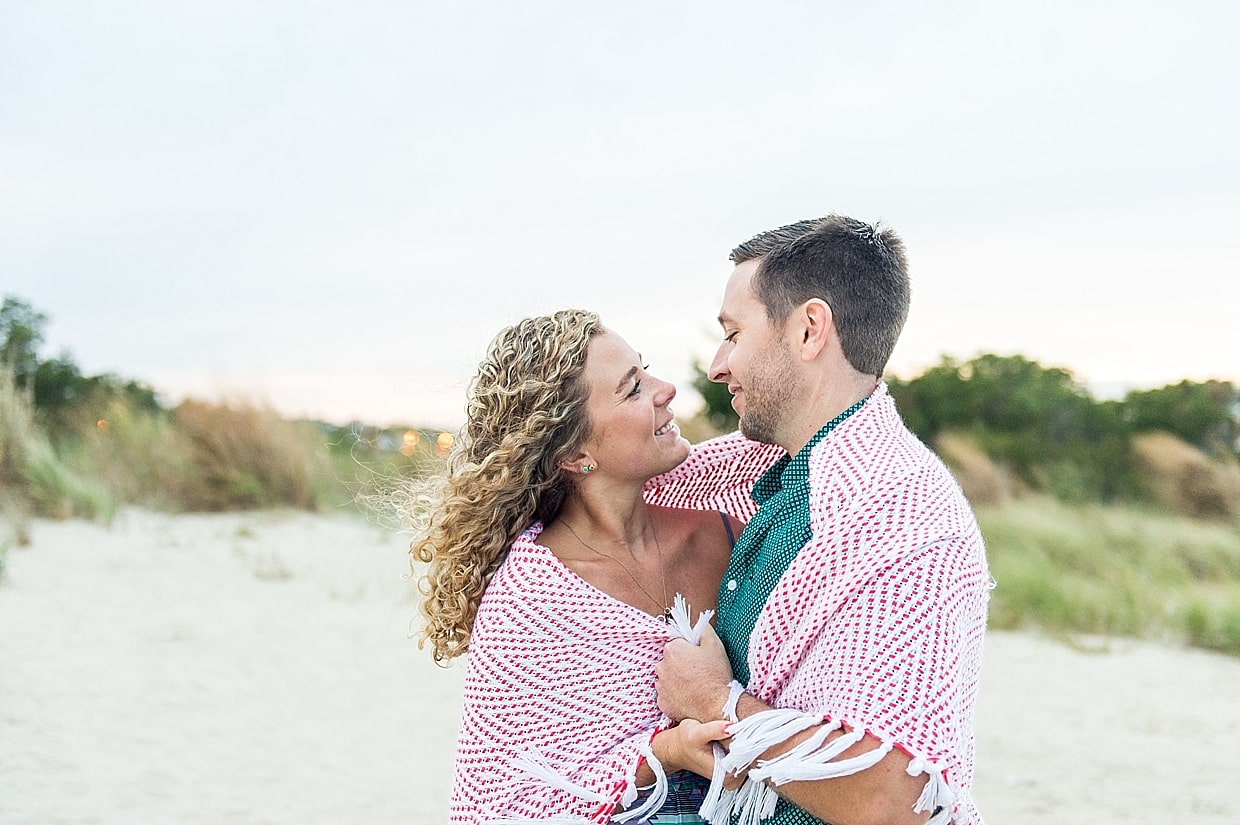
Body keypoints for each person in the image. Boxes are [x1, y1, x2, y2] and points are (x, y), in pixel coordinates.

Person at [648, 215, 991, 825]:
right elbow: (631, 492)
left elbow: (894, 798)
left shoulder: (907, 520)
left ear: (809, 330)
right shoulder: (767, 468)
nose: (719, 364)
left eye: (733, 333)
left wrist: (715, 702)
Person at [403, 309, 782, 824]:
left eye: (645, 369)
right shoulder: (529, 602)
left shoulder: (741, 517)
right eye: (632, 389)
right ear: (574, 452)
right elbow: (504, 802)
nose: (666, 388)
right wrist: (665, 752)